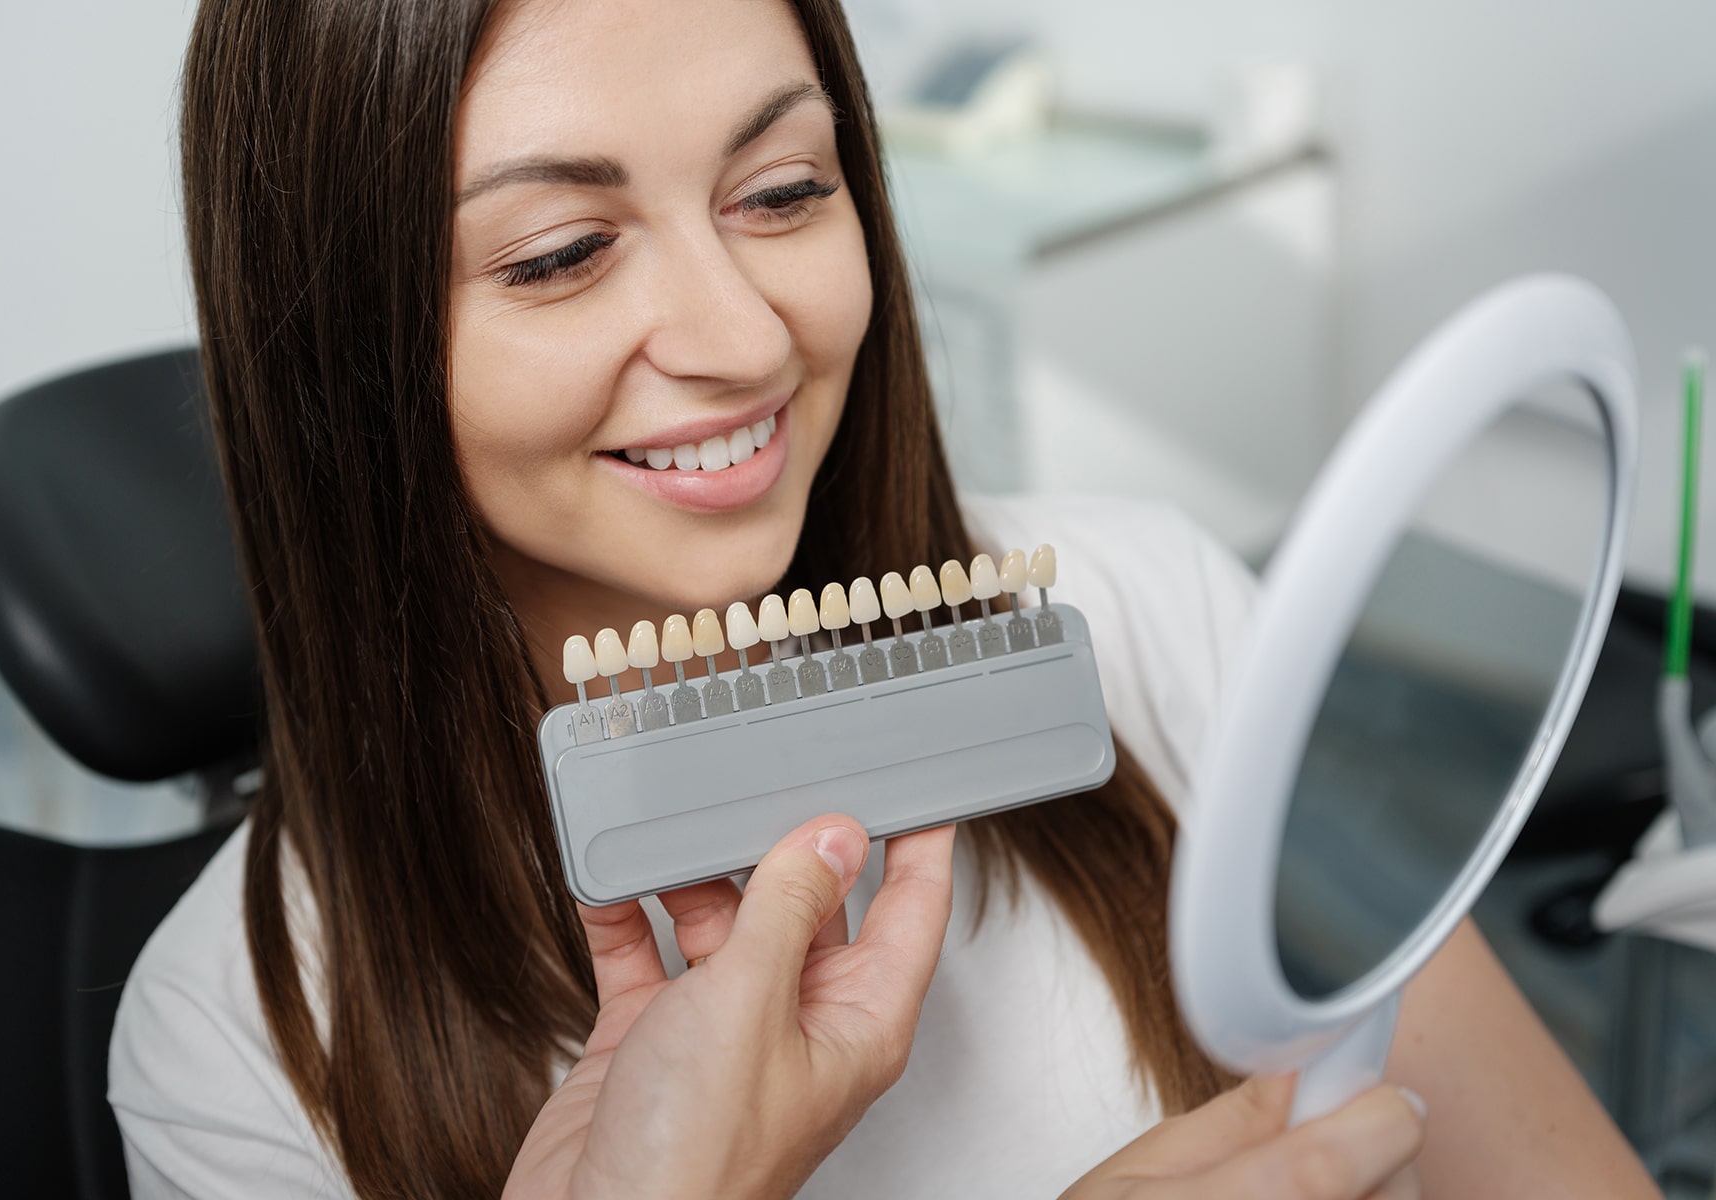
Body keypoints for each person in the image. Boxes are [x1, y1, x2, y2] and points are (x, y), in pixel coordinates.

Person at [109, 0, 1661, 1197]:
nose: (742, 333)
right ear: (336, 345)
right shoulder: (230, 1045)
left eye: (783, 191)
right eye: (565, 253)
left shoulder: (1147, 606)